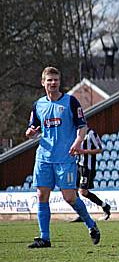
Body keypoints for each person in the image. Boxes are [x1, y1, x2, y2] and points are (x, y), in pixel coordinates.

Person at [25, 67, 101, 248]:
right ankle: (45, 238)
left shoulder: (71, 102)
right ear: (43, 82)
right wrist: (30, 133)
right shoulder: (38, 105)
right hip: (43, 157)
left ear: (60, 82)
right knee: (41, 194)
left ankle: (91, 225)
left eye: (56, 80)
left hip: (65, 158)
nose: (53, 83)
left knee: (69, 197)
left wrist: (78, 141)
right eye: (49, 80)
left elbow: (82, 126)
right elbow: (33, 130)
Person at [70, 126, 111, 222]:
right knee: (73, 189)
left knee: (83, 192)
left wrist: (84, 151)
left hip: (87, 167)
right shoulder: (76, 134)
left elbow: (100, 149)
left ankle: (105, 206)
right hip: (78, 165)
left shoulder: (91, 133)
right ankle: (81, 214)